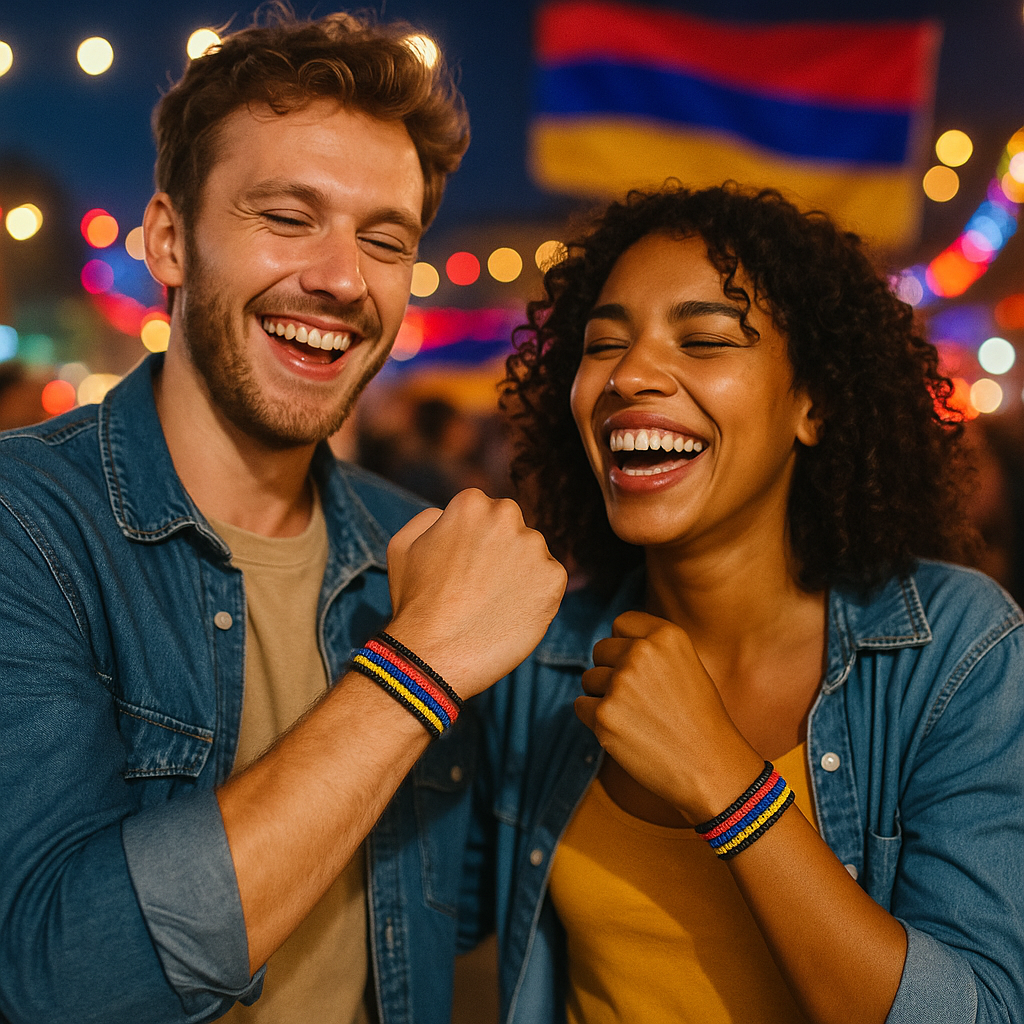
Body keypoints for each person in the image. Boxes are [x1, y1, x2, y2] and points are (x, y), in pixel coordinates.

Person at [0, 11, 566, 1024]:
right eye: (287, 216)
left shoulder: (421, 546)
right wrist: (418, 668)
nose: (342, 279)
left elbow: (474, 898)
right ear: (170, 240)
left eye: (383, 238)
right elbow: (60, 975)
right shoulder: (28, 524)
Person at [465, 183, 1024, 1023]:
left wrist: (727, 783)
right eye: (604, 343)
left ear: (813, 403)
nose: (631, 376)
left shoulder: (953, 650)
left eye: (704, 340)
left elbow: (980, 1010)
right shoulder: (537, 659)